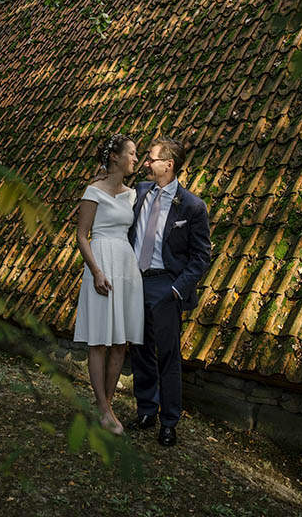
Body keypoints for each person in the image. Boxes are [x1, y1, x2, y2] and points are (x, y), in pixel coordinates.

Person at [125, 137, 211, 447]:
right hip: (135, 282)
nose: (146, 163)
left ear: (168, 165)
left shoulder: (192, 206)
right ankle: (146, 409)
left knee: (169, 356)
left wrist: (176, 291)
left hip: (166, 287)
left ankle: (169, 421)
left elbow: (201, 256)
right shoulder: (139, 193)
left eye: (151, 158)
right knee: (140, 350)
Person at [74, 134, 144, 435]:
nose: (136, 159)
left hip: (126, 265)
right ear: (114, 157)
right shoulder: (93, 191)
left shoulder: (133, 194)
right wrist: (97, 272)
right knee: (99, 340)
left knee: (120, 342)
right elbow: (81, 236)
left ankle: (107, 407)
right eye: (132, 153)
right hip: (100, 262)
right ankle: (103, 408)